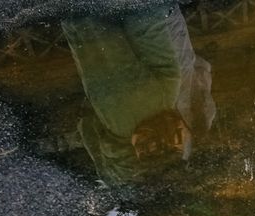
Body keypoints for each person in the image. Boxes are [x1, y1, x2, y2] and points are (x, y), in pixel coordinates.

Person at [61, 4, 215, 185]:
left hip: (161, 27)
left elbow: (201, 73)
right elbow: (87, 127)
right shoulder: (124, 142)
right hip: (89, 21)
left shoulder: (194, 120)